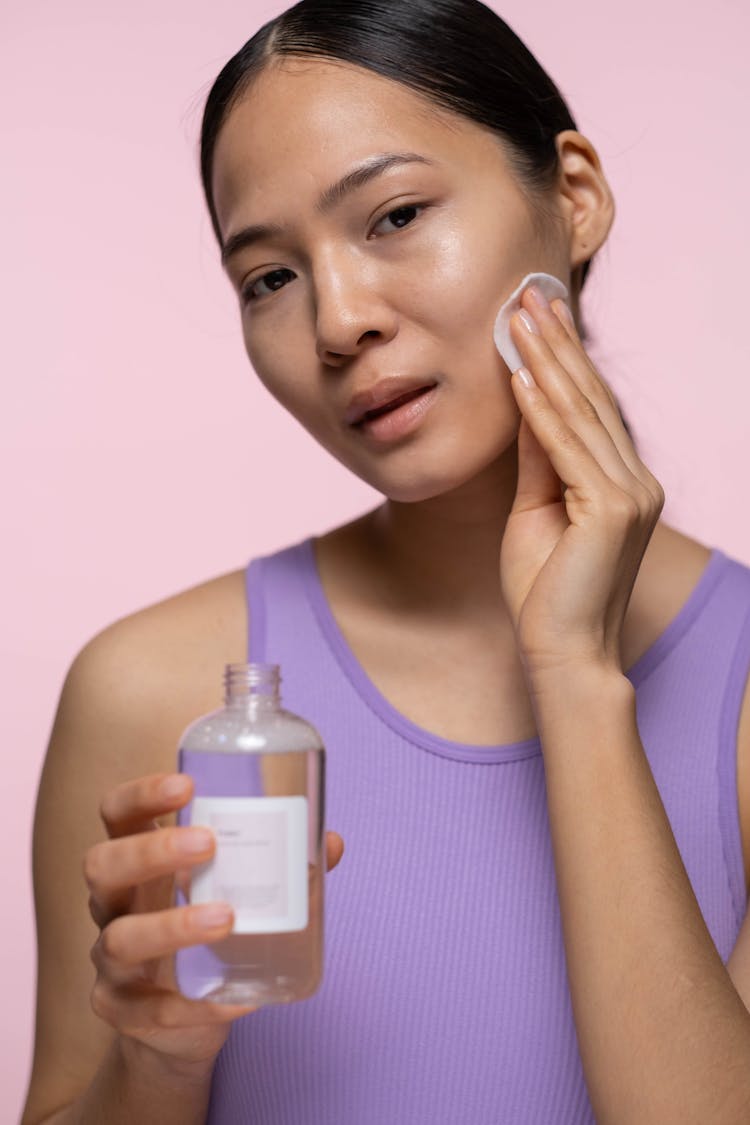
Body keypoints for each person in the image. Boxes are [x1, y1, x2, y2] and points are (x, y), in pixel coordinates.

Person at [21, 1, 750, 1122]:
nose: (339, 320)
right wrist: (158, 1065)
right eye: (268, 277)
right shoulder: (157, 693)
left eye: (396, 214)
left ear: (575, 197)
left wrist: (576, 674)